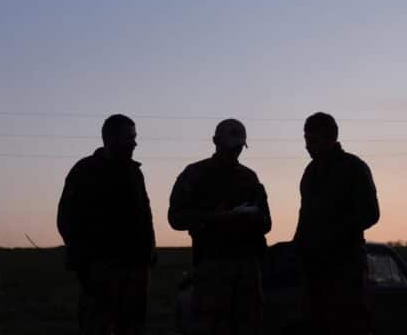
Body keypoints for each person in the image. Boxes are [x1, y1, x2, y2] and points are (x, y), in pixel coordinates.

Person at [169, 118, 271, 334]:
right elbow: (176, 218)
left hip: (248, 270)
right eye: (230, 146)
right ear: (215, 141)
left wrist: (253, 218)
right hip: (212, 268)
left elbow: (266, 222)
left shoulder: (249, 178)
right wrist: (214, 218)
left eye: (238, 148)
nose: (235, 153)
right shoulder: (195, 174)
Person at [57, 114, 156, 335]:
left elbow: (145, 215)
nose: (134, 143)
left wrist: (148, 254)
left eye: (134, 137)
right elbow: (66, 220)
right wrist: (86, 263)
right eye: (129, 138)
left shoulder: (134, 172)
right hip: (100, 270)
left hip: (136, 269)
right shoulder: (85, 171)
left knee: (132, 326)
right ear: (111, 138)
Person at [294, 112, 380, 335]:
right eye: (306, 140)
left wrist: (331, 233)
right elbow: (304, 216)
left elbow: (371, 213)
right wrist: (298, 248)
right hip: (314, 269)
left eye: (312, 140)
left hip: (345, 269)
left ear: (330, 138)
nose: (307, 146)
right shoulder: (310, 172)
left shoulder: (354, 168)